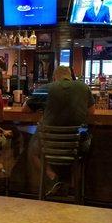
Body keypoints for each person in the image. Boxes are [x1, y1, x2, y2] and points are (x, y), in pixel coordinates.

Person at [23, 66, 95, 195]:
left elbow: (25, 109)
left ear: (54, 77)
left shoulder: (47, 88)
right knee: (84, 153)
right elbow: (91, 112)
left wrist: (43, 106)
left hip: (50, 144)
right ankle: (74, 186)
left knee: (34, 152)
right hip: (75, 144)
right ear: (70, 76)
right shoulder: (84, 88)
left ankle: (52, 178)